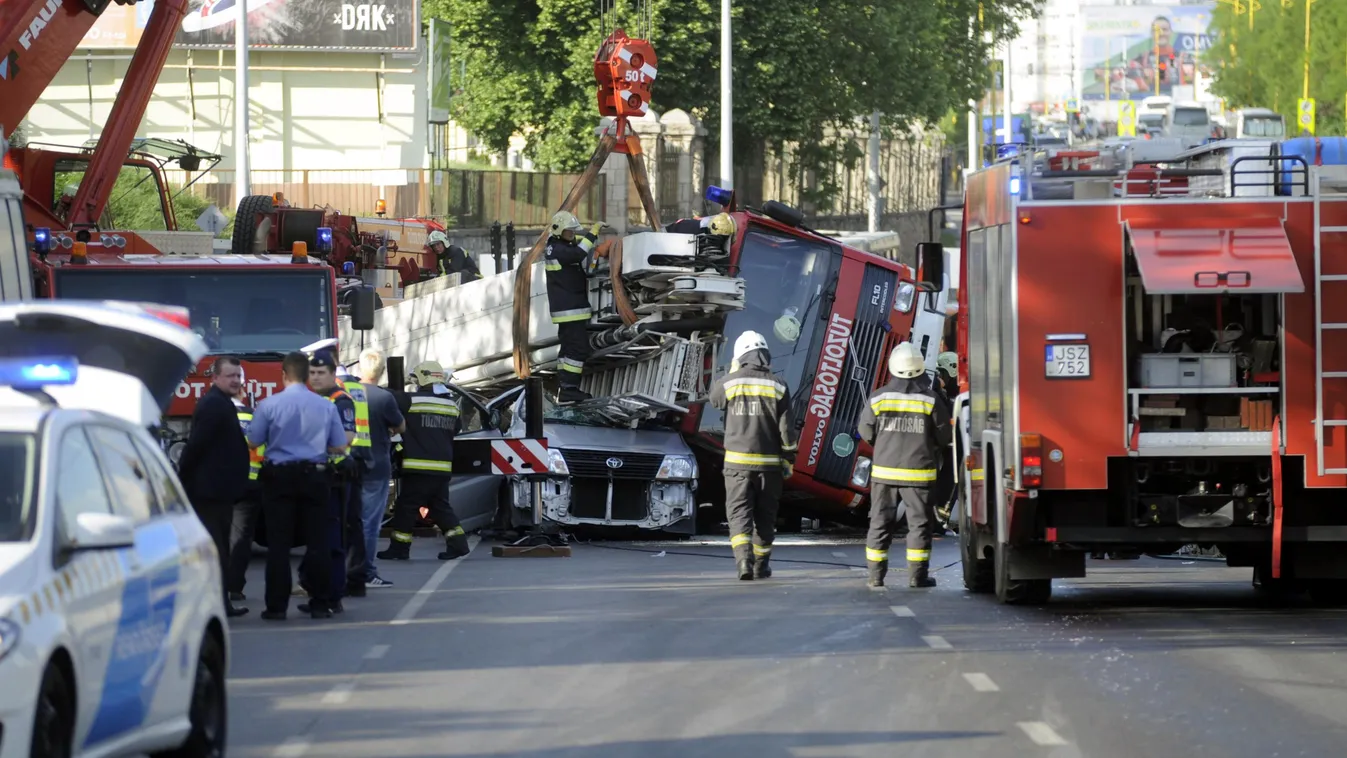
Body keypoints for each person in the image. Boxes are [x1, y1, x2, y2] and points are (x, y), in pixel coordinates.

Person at [246, 351, 349, 620]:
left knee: (278, 545)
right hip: (315, 477)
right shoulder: (326, 406)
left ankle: (276, 607)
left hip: (278, 478)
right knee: (318, 542)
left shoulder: (269, 405)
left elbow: (253, 441)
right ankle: (320, 602)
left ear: (283, 375)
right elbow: (339, 444)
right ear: (307, 376)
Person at [858, 342, 952, 589]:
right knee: (919, 525)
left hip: (884, 474)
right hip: (919, 475)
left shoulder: (878, 397)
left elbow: (865, 431)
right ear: (920, 368)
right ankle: (917, 576)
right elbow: (945, 437)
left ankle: (875, 577)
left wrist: (884, 445)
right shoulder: (931, 400)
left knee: (880, 522)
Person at [709, 331, 797, 581]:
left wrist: (730, 372)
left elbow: (714, 400)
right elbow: (786, 430)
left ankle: (743, 562)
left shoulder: (731, 382)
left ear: (740, 356)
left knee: (739, 513)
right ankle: (761, 565)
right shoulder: (779, 385)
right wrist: (789, 458)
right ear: (766, 355)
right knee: (765, 516)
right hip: (769, 467)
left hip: (737, 465)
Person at [176, 356, 251, 618]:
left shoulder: (222, 403)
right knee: (216, 549)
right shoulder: (213, 406)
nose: (235, 381)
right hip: (209, 492)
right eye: (230, 376)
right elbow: (196, 446)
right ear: (215, 377)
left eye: (238, 376)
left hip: (219, 491)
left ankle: (221, 603)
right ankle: (217, 605)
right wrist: (182, 479)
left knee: (220, 548)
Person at [377, 361, 471, 561]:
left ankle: (399, 548)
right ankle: (458, 544)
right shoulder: (452, 405)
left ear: (421, 378)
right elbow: (456, 430)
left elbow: (386, 401)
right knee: (439, 506)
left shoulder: (410, 400)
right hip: (442, 467)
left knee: (405, 506)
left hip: (418, 466)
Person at [304, 350, 359, 613]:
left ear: (333, 374)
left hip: (334, 478)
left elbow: (347, 437)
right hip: (314, 476)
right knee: (316, 538)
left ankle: (334, 594)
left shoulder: (341, 401)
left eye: (320, 373)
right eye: (312, 373)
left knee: (333, 540)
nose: (315, 377)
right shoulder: (313, 399)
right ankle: (317, 588)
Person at [355, 348, 405, 588]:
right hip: (376, 467)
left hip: (348, 466)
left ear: (359, 368)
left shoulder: (346, 393)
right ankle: (366, 572)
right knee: (369, 523)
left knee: (347, 520)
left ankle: (347, 569)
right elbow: (401, 426)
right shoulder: (384, 398)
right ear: (382, 371)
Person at [544, 210, 602, 404]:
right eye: (569, 231)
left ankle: (565, 388)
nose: (572, 234)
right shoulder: (560, 250)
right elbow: (578, 254)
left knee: (567, 351)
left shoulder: (556, 247)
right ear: (558, 230)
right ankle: (570, 389)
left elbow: (574, 252)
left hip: (567, 310)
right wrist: (593, 233)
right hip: (571, 309)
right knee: (578, 349)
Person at [227, 376, 265, 611]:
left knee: (220, 535)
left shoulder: (218, 414)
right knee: (241, 539)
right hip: (251, 483)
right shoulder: (254, 416)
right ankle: (234, 587)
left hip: (222, 485)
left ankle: (219, 585)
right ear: (243, 393)